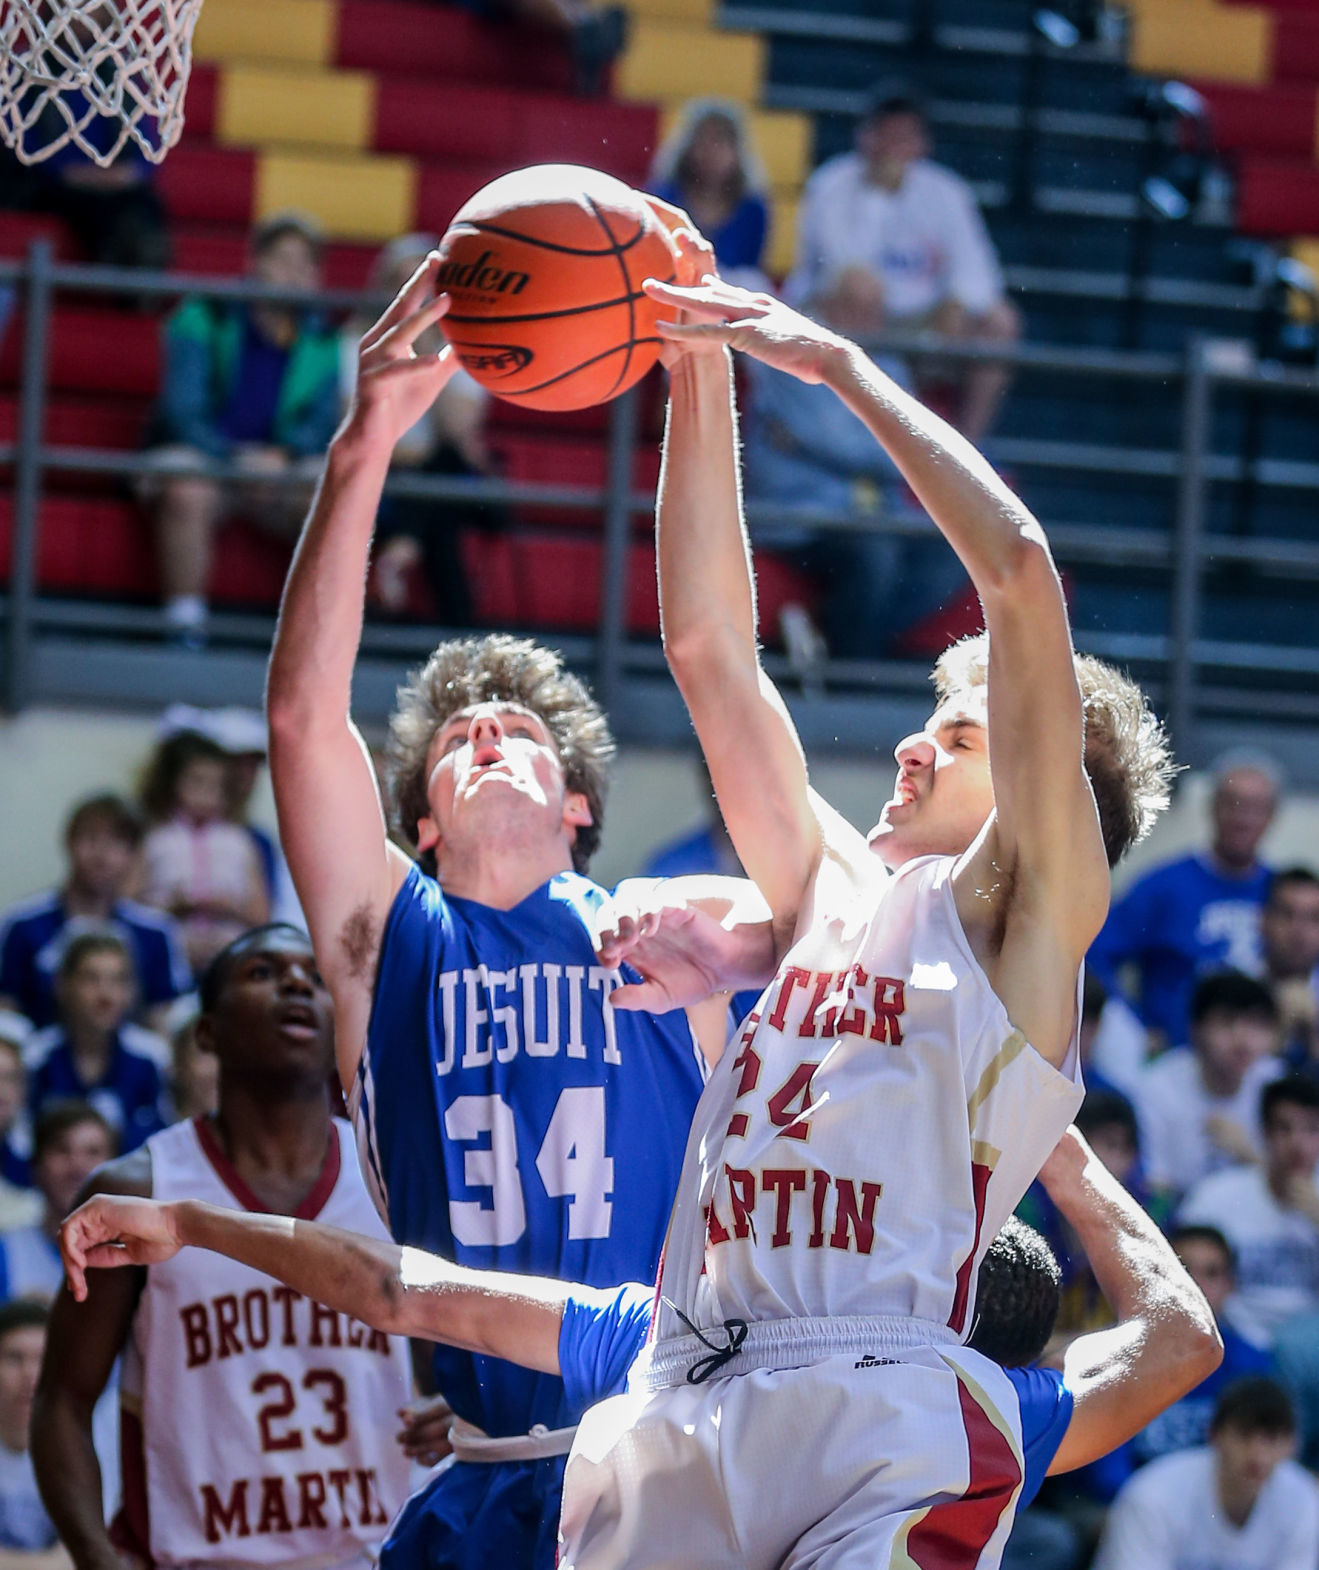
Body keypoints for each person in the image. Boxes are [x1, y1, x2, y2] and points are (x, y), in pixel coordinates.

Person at [553, 230, 1173, 1567]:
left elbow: (1014, 571)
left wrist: (834, 363)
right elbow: (710, 650)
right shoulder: (831, 887)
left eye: (951, 735)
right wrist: (696, 364)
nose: (909, 743)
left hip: (878, 1401)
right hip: (690, 1378)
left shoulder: (1021, 930)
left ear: (1032, 785)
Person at [266, 258, 753, 1570]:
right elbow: (304, 721)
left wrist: (699, 379)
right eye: (455, 740)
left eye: (518, 730)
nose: (484, 738)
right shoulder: (398, 936)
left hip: (661, 1462)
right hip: (480, 1475)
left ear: (576, 803)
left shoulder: (664, 932)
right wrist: (365, 437)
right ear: (417, 822)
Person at [57, 1125, 1221, 1552]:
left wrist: (197, 1225)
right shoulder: (990, 1415)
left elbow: (402, 1288)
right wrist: (1054, 1145)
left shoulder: (672, 1338)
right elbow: (1179, 1342)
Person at [29, 925, 414, 1570]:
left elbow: (450, 1371)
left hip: (376, 1556)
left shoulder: (392, 1177)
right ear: (205, 1034)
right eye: (263, 972)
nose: (296, 983)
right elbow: (62, 1401)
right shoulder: (139, 1189)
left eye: (315, 979)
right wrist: (97, 1557)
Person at [142, 212, 341, 643]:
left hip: (277, 469)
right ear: (256, 262)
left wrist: (283, 455)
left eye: (306, 264)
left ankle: (310, 640)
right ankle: (184, 623)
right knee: (186, 487)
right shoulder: (203, 312)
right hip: (206, 457)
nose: (294, 274)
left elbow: (322, 424)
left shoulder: (324, 340)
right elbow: (182, 410)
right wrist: (236, 458)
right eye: (284, 259)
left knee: (329, 493)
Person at [785, 83, 1021, 442]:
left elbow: (979, 271)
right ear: (864, 137)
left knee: (1000, 322)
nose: (893, 148)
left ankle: (970, 448)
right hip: (843, 320)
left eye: (904, 137)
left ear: (922, 144)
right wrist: (878, 197)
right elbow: (842, 267)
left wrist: (959, 303)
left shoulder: (947, 192)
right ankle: (865, 435)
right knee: (860, 290)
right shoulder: (831, 184)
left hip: (923, 325)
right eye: (885, 136)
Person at [342, 234, 494, 629]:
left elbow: (456, 434)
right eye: (402, 284)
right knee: (437, 511)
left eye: (425, 287)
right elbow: (356, 424)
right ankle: (461, 633)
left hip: (440, 472)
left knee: (441, 472)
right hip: (383, 469)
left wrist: (430, 354)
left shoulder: (463, 348)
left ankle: (399, 555)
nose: (415, 299)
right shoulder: (355, 342)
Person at [1088, 752, 1282, 1052]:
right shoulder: (1164, 886)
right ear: (1212, 808)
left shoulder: (1286, 896)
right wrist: (1133, 1028)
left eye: (1256, 808)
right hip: (1174, 1058)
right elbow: (1096, 952)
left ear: (1272, 816)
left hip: (1256, 1062)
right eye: (1232, 803)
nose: (1243, 818)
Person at [0, 794, 190, 1033]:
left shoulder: (156, 932)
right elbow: (6, 1015)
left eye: (116, 842)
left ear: (133, 854)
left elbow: (164, 1024)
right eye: (90, 838)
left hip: (131, 1068)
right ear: (69, 842)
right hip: (40, 1064)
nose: (102, 854)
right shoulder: (23, 924)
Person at [1092, 1377, 1319, 1570]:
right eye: (1244, 1436)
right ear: (1214, 1434)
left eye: (1272, 1439)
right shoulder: (1154, 1495)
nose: (1258, 1456)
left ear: (1292, 1445)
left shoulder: (1303, 1498)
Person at [1179, 1075, 1319, 1348]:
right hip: (1228, 1341)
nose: (1298, 1144)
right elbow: (1175, 1268)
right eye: (1284, 1129)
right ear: (1264, 1133)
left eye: (1312, 1130)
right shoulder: (1217, 1194)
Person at [1133, 971, 1282, 1205]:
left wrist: (1249, 1155)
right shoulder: (1158, 1087)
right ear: (1196, 1030)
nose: (1242, 1039)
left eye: (1256, 1024)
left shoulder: (1274, 1080)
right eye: (1226, 1022)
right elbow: (1155, 1186)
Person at [137, 731, 270, 977]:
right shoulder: (155, 840)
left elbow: (261, 916)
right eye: (196, 782)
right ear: (173, 784)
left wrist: (227, 906)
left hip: (229, 963)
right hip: (169, 962)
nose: (206, 794)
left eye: (215, 786)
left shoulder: (240, 842)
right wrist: (172, 907)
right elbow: (128, 907)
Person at [25, 932, 168, 1154]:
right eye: (92, 979)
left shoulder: (154, 1058)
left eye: (118, 980)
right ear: (62, 984)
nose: (106, 994)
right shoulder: (33, 1057)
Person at [0, 1104, 114, 1304]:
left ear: (117, 1168)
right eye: (62, 1150)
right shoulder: (6, 1251)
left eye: (93, 1152)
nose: (77, 1166)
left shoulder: (139, 1255)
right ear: (36, 1166)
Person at [649, 100, 770, 282]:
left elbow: (749, 271)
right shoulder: (663, 197)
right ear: (687, 146)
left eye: (721, 140)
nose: (711, 150)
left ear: (738, 151)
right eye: (702, 139)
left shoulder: (753, 209)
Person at [0, 1300, 67, 1568]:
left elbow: (85, 1556)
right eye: (15, 1358)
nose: (30, 1375)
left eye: (42, 1358)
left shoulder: (85, 1449)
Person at [1259, 866, 1319, 1070]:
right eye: (1287, 914)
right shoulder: (1233, 988)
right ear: (1264, 921)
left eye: (1314, 918)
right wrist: (1277, 1032)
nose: (1299, 931)